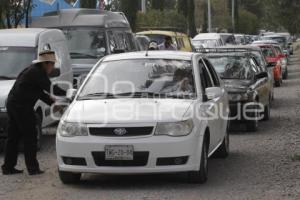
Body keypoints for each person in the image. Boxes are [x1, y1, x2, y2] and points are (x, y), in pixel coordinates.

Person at [1, 50, 66, 175]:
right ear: (46, 64)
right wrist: (70, 93)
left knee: (13, 137)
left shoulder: (32, 70)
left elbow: (39, 92)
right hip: (21, 107)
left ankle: (8, 167)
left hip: (13, 104)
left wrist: (53, 103)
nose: (53, 68)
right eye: (52, 65)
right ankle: (33, 168)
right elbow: (52, 89)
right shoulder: (38, 73)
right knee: (30, 136)